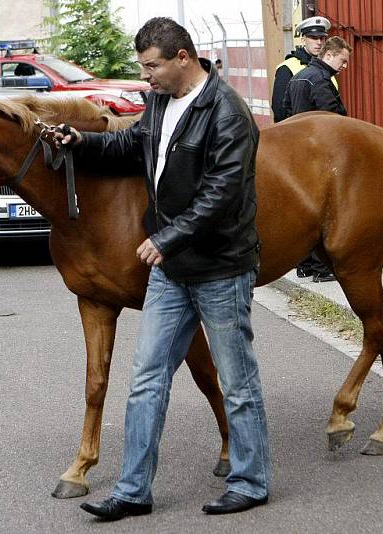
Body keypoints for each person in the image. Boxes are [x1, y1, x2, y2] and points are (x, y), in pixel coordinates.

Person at [56, 17, 270, 521]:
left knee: (238, 383)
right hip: (173, 271)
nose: (146, 77)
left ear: (182, 58)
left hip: (219, 266)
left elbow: (224, 191)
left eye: (152, 66)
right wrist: (80, 142)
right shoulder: (157, 103)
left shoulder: (227, 111)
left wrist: (166, 237)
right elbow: (130, 146)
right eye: (143, 67)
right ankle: (133, 490)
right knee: (147, 378)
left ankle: (251, 480)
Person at [281, 36, 352, 283]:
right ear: (330, 55)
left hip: (297, 153)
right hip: (318, 155)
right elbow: (333, 118)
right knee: (322, 214)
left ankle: (305, 265)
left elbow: (285, 111)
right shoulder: (321, 80)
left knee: (304, 212)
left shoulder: (298, 77)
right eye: (343, 61)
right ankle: (322, 269)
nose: (344, 67)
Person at [270, 16, 333, 123]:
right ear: (303, 40)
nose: (319, 42)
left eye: (322, 38)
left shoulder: (326, 68)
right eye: (313, 37)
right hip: (300, 134)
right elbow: (280, 111)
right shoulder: (287, 68)